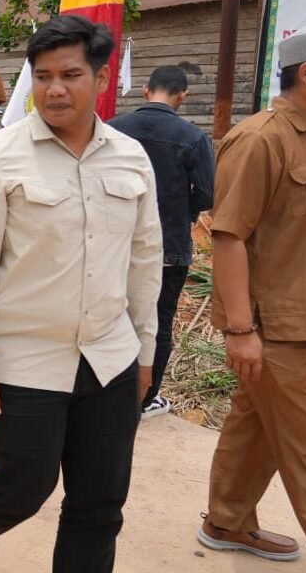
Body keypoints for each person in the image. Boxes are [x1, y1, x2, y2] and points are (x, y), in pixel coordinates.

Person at [0, 15, 161, 573]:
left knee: (100, 504)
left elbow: (145, 261)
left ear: (100, 79)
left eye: (71, 74)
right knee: (20, 491)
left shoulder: (130, 157)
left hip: (109, 358)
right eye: (43, 75)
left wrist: (145, 352)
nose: (55, 88)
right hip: (23, 363)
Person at [198, 23, 306, 571]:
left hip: (302, 327)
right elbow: (228, 237)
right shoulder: (260, 140)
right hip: (272, 334)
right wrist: (240, 332)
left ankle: (226, 521)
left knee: (252, 429)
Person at [109, 66, 214, 419]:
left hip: (114, 243)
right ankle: (145, 398)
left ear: (144, 90)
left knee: (111, 314)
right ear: (182, 95)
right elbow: (206, 194)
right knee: (158, 320)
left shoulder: (112, 128)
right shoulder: (193, 137)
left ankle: (104, 392)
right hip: (169, 245)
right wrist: (185, 211)